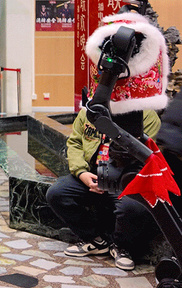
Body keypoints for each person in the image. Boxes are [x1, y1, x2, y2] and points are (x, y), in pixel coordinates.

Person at [47, 108, 161, 270]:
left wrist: (116, 177)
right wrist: (82, 173)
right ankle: (95, 240)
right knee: (57, 194)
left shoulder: (147, 115)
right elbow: (75, 143)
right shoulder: (89, 110)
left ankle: (121, 247)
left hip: (127, 177)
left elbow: (146, 153)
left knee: (134, 207)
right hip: (92, 173)